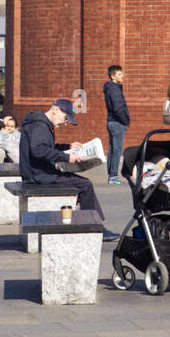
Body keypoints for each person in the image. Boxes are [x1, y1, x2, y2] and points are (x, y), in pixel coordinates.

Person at [18, 98, 119, 240]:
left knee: (80, 182)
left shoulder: (41, 123)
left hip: (39, 172)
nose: (65, 123)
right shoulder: (40, 125)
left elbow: (46, 147)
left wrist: (67, 147)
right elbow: (38, 150)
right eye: (65, 119)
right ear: (56, 110)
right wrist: (67, 158)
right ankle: (95, 227)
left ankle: (91, 223)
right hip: (38, 176)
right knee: (85, 185)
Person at [104, 64, 131, 185]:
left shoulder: (111, 88)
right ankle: (113, 176)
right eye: (119, 74)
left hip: (111, 121)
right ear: (112, 76)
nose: (122, 76)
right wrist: (125, 121)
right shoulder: (114, 89)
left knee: (112, 149)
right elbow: (118, 107)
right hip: (117, 122)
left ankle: (111, 174)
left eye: (122, 73)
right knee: (117, 150)